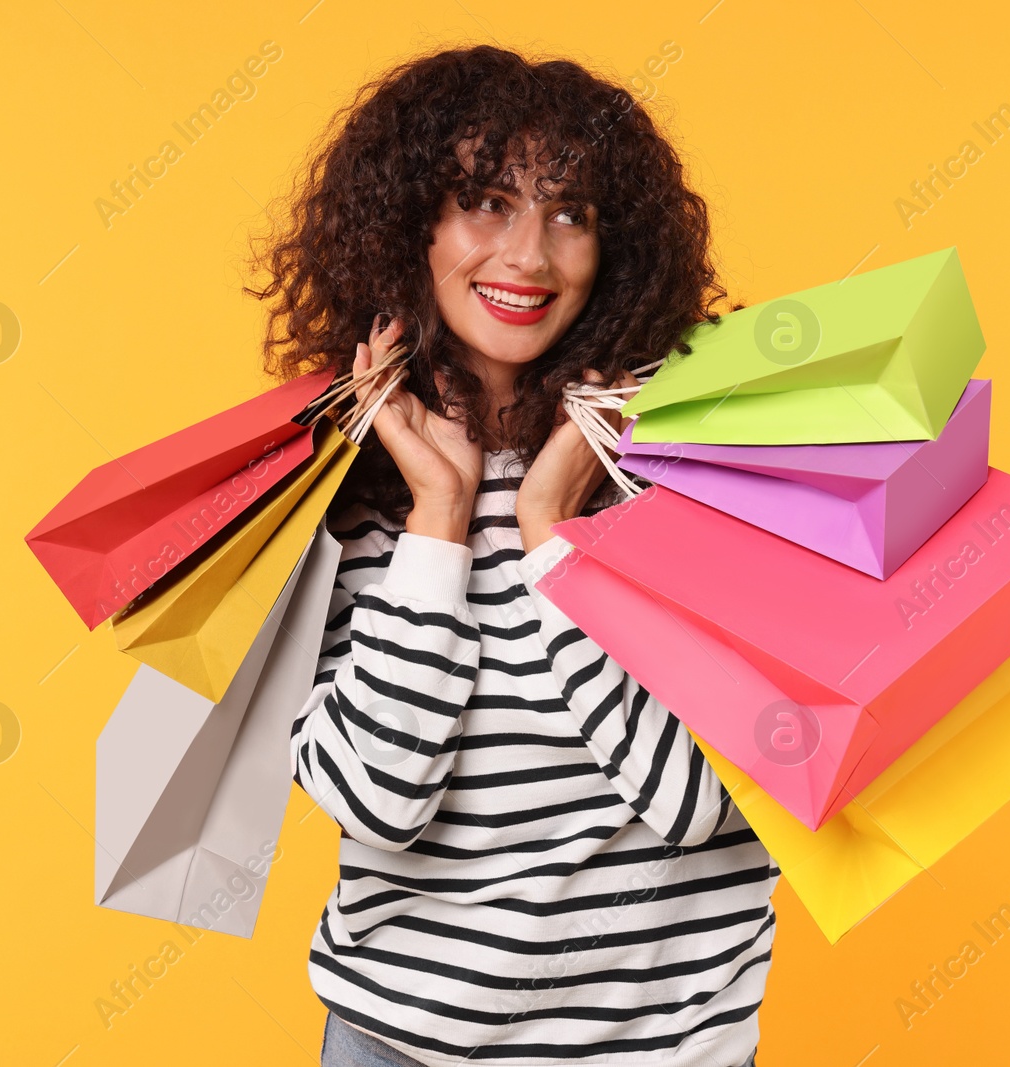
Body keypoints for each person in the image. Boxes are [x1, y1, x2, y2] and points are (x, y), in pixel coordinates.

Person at [251, 43, 778, 1067]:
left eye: (569, 213)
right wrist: (439, 512)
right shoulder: (332, 499)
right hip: (399, 1041)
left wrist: (550, 532)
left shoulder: (702, 479)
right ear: (411, 225)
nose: (529, 256)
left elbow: (700, 805)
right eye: (488, 201)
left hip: (666, 1049)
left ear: (615, 246)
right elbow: (376, 803)